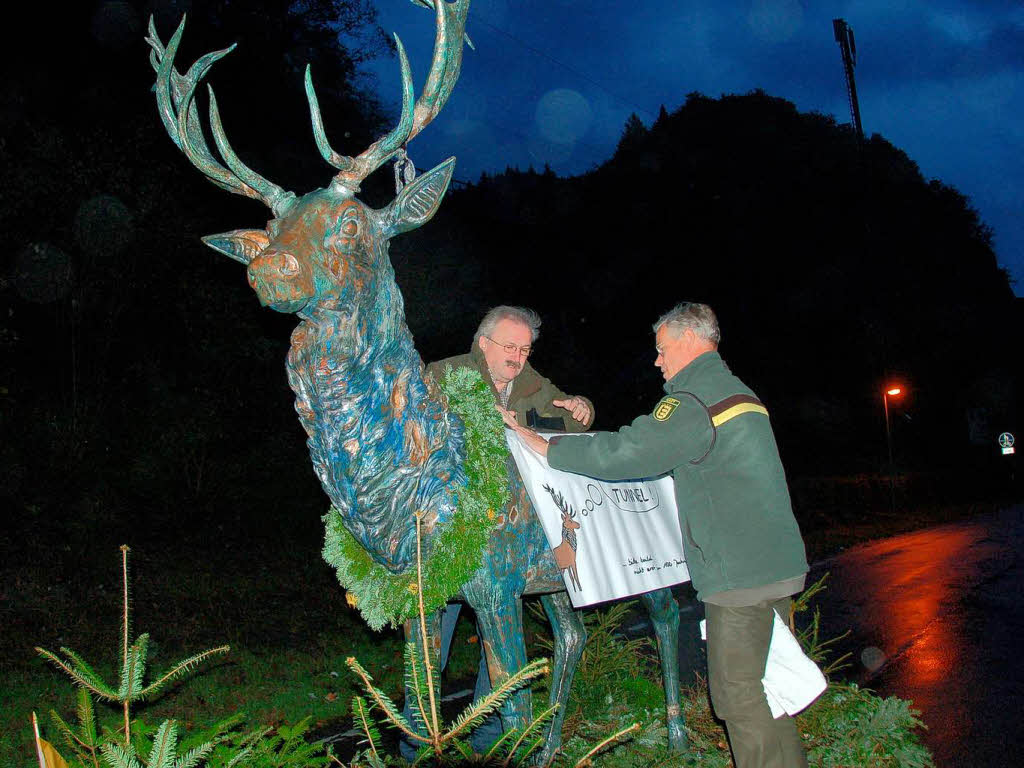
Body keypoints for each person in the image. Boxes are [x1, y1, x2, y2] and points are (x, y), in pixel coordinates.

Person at [509, 302, 809, 768]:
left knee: (737, 697)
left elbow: (631, 451)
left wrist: (549, 449)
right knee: (769, 687)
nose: (657, 360)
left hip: (740, 577)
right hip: (775, 565)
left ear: (690, 341)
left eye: (662, 349)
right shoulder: (738, 392)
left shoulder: (692, 400)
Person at [400, 305, 595, 759]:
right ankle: (416, 748)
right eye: (510, 346)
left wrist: (583, 408)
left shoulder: (532, 385)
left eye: (525, 348)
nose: (518, 356)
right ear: (483, 342)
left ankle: (490, 744)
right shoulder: (444, 376)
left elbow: (567, 431)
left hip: (509, 541)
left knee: (500, 644)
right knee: (428, 654)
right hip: (447, 541)